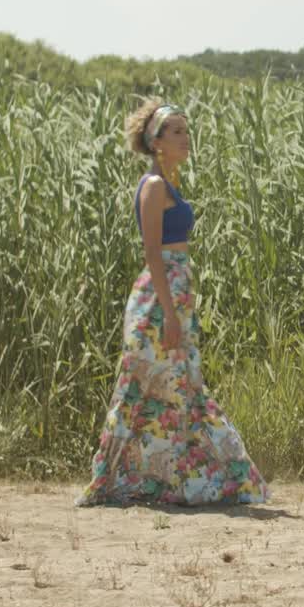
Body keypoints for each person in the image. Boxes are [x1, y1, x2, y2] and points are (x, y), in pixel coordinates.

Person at [76, 100, 270, 506]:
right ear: (156, 142)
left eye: (186, 130)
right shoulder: (153, 187)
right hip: (157, 299)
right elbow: (152, 251)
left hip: (174, 294)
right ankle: (116, 481)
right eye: (177, 131)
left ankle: (176, 481)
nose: (186, 138)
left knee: (179, 388)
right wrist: (167, 313)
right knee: (147, 388)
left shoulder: (168, 184)